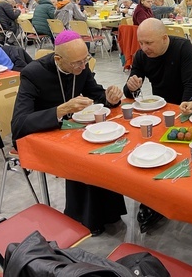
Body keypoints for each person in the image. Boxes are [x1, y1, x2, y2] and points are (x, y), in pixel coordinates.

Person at [11, 31, 126, 235]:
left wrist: (110, 98)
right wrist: (61, 110)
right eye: (77, 64)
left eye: (85, 61)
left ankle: (109, 213)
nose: (83, 68)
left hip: (72, 133)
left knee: (103, 149)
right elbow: (19, 124)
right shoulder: (32, 73)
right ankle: (84, 219)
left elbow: (96, 94)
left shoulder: (80, 65)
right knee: (85, 158)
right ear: (58, 59)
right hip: (42, 136)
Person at [123, 18, 192, 233]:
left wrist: (180, 117)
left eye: (149, 43)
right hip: (159, 112)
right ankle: (153, 198)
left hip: (185, 109)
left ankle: (175, 196)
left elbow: (191, 86)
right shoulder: (142, 55)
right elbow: (130, 93)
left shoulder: (182, 47)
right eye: (141, 43)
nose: (144, 48)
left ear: (165, 38)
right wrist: (132, 87)